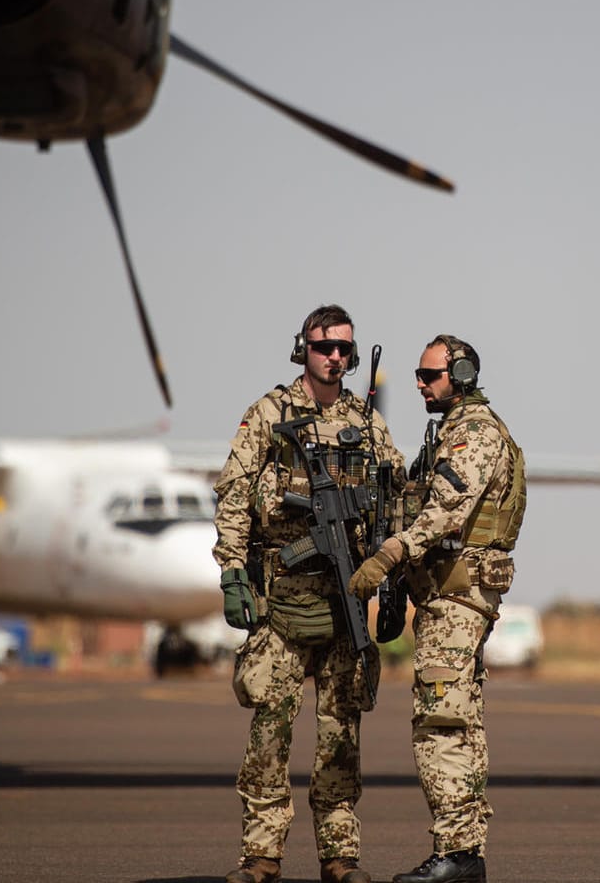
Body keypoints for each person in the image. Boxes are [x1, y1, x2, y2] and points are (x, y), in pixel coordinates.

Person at [214, 305, 405, 883]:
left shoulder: (366, 423)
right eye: (326, 347)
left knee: (341, 735)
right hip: (282, 601)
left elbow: (395, 498)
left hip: (344, 600)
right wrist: (231, 572)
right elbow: (233, 494)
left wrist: (394, 581)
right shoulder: (270, 413)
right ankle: (261, 856)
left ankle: (340, 855)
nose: (337, 358)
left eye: (346, 349)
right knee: (269, 732)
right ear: (304, 348)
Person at [350, 334, 525, 883]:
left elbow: (448, 510)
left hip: (458, 595)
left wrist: (390, 554)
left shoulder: (474, 433)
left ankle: (456, 852)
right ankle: (464, 852)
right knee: (460, 719)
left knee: (441, 721)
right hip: (447, 594)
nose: (420, 385)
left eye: (430, 376)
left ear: (464, 374)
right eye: (419, 376)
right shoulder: (448, 432)